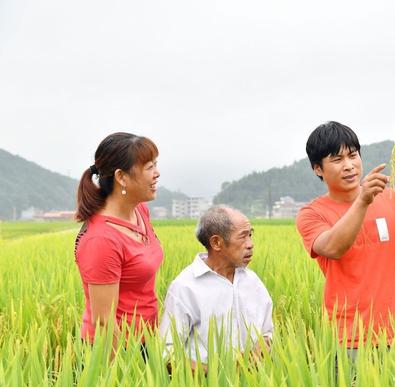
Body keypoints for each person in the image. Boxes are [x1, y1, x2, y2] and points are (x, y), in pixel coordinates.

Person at [296, 121, 395, 353]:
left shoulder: (392, 198)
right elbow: (332, 247)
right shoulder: (312, 214)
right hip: (346, 340)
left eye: (353, 156)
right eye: (337, 160)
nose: (349, 166)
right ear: (317, 169)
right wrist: (363, 200)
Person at [74, 132, 164, 349]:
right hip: (116, 349)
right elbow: (104, 322)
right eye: (149, 167)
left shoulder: (140, 211)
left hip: (147, 340)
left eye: (156, 165)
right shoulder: (101, 240)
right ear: (121, 177)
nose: (157, 174)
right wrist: (121, 376)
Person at [160, 206, 273, 371]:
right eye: (242, 237)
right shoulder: (186, 287)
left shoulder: (252, 282)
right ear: (216, 242)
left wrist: (256, 355)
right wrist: (218, 375)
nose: (250, 244)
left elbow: (267, 332)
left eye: (250, 235)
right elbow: (168, 354)